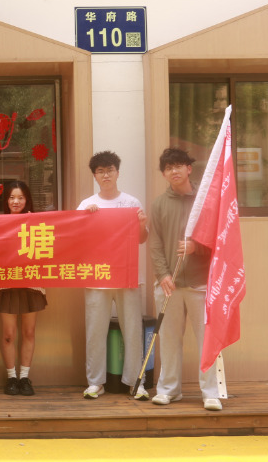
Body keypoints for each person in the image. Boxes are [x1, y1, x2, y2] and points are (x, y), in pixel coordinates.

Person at [148, 148, 221, 411]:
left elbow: (217, 238)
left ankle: (210, 392)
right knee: (168, 340)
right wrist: (163, 275)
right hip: (170, 285)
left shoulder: (206, 200)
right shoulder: (158, 204)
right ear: (164, 174)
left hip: (201, 283)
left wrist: (195, 248)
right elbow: (154, 243)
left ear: (189, 168)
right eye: (168, 168)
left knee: (206, 341)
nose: (174, 171)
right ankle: (169, 390)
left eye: (179, 166)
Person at [78, 151, 150, 400]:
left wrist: (140, 223)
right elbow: (77, 241)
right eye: (100, 171)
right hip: (96, 275)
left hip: (126, 275)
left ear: (117, 172)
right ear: (95, 176)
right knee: (95, 330)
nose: (105, 175)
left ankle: (135, 382)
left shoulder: (131, 203)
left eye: (109, 170)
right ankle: (95, 382)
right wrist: (86, 220)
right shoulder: (86, 205)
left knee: (132, 328)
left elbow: (142, 238)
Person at [0, 181, 46, 397]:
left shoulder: (37, 223)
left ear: (27, 200)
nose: (16, 202)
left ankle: (24, 377)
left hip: (30, 282)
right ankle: (11, 377)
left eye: (20, 198)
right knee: (8, 335)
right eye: (12, 197)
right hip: (6, 283)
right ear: (6, 200)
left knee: (29, 332)